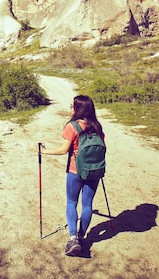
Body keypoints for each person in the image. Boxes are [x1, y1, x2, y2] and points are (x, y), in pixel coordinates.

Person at [39, 95, 105, 256]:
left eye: (72, 106)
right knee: (87, 204)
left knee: (71, 202)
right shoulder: (97, 126)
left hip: (76, 171)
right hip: (94, 171)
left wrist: (44, 151)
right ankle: (82, 236)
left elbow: (63, 150)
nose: (71, 108)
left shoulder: (72, 126)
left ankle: (73, 238)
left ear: (77, 108)